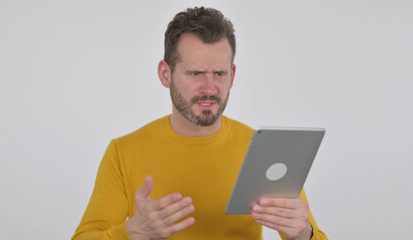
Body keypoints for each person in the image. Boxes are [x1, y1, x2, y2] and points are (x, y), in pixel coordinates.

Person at [72, 7, 328, 240]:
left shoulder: (264, 150)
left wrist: (303, 234)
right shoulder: (122, 152)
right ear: (165, 74)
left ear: (233, 75)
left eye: (219, 73)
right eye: (195, 73)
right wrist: (130, 233)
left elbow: (308, 233)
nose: (209, 88)